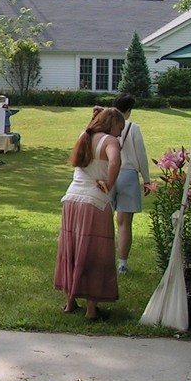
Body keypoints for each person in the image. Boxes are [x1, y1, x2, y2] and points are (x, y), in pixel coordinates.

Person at [54, 107, 125, 321]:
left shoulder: (83, 136)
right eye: (119, 128)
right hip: (94, 202)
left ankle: (70, 302)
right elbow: (115, 161)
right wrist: (109, 184)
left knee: (72, 250)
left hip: (72, 199)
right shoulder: (110, 141)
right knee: (95, 253)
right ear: (112, 124)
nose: (120, 133)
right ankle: (91, 309)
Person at [111, 94, 150, 275]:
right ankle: (123, 263)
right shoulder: (133, 128)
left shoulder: (105, 126)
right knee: (125, 223)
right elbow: (141, 155)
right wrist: (147, 179)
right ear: (128, 111)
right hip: (128, 174)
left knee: (105, 220)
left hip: (109, 174)